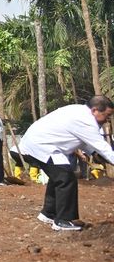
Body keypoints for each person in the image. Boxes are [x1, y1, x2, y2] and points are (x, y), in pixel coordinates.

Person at [19, 95, 114, 232]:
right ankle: (63, 220)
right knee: (66, 179)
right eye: (107, 115)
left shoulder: (79, 112)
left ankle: (48, 213)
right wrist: (99, 153)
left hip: (40, 143)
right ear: (95, 110)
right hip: (42, 145)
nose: (107, 120)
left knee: (59, 177)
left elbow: (83, 139)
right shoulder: (86, 121)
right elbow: (103, 148)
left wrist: (93, 153)